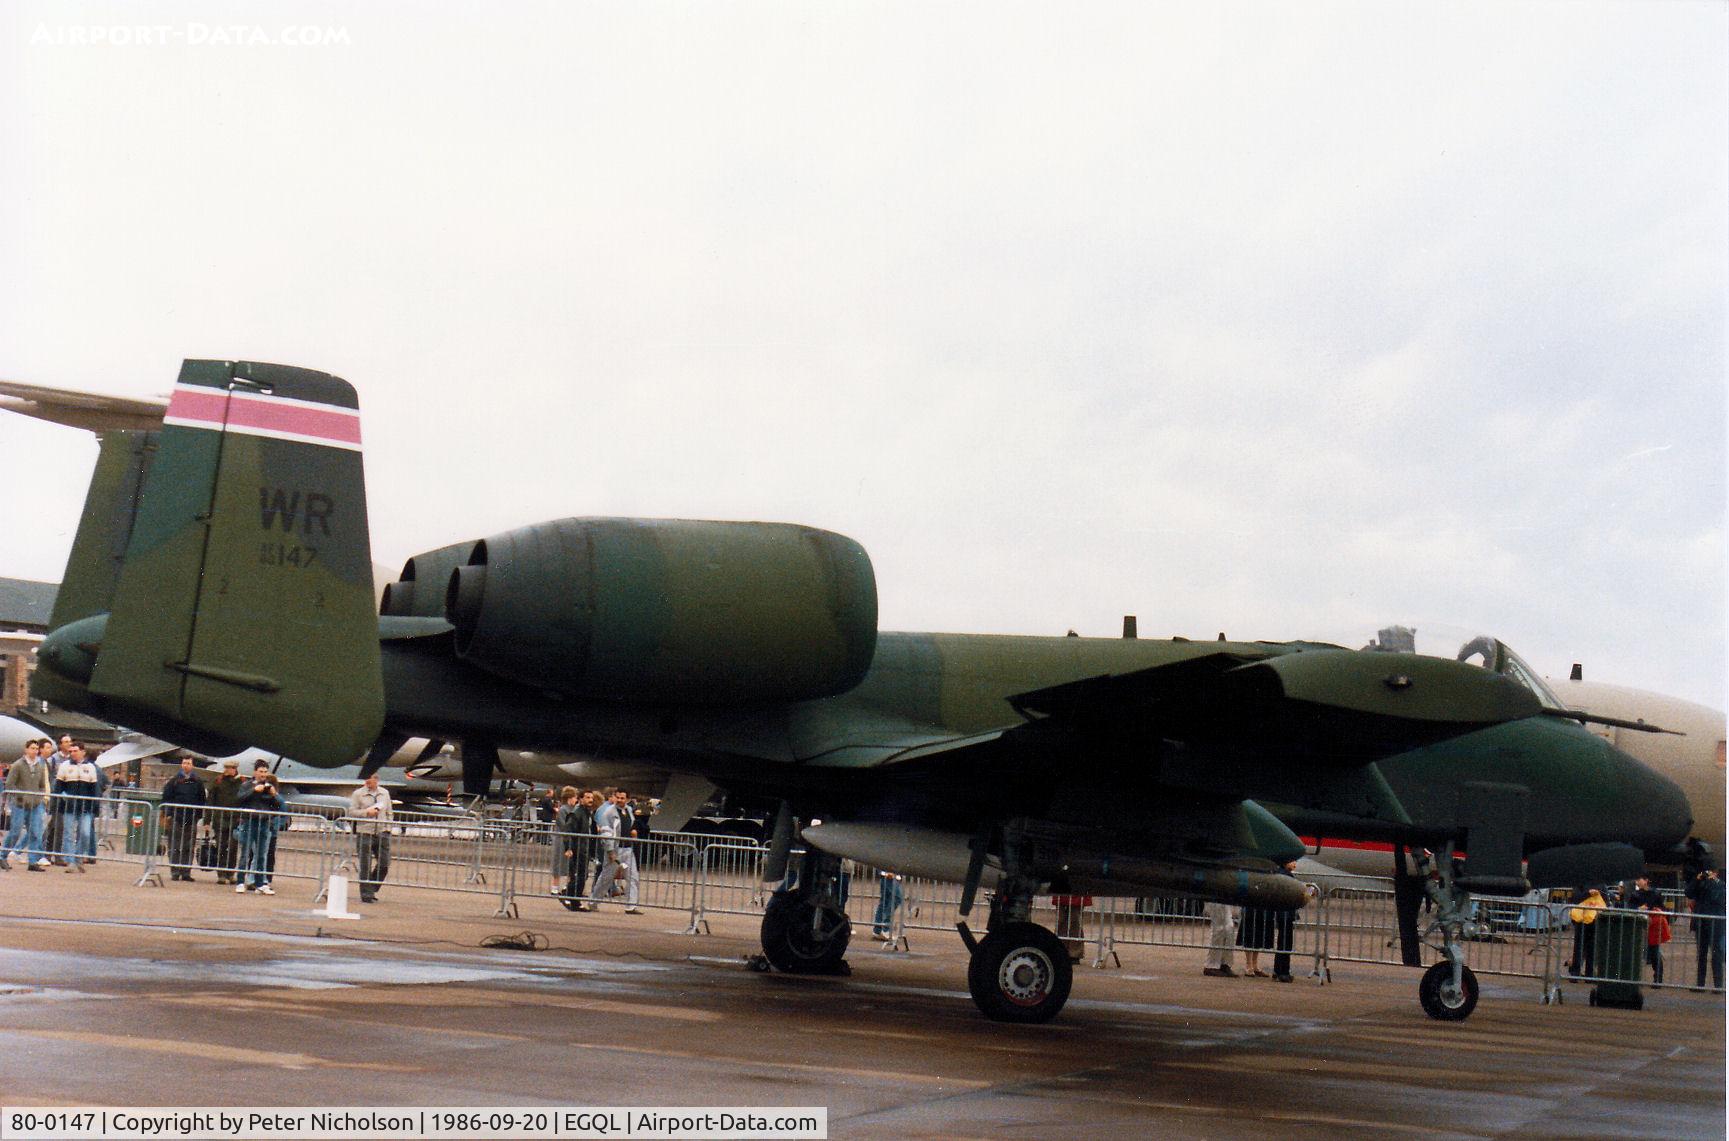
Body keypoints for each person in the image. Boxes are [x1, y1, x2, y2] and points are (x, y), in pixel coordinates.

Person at [2, 738, 54, 871]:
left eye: (37, 749)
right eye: (32, 748)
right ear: (26, 750)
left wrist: (40, 796)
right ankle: (2, 856)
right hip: (19, 804)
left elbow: (42, 784)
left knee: (35, 833)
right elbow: (9, 784)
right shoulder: (18, 765)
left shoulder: (40, 765)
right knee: (15, 832)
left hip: (35, 805)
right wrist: (21, 795)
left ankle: (32, 861)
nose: (35, 751)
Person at [54, 741, 101, 872]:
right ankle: (71, 861)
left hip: (85, 807)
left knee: (85, 833)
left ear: (83, 752)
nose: (73, 753)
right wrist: (63, 797)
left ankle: (78, 857)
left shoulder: (90, 767)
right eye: (71, 751)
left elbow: (94, 789)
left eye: (75, 751)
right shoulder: (65, 766)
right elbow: (58, 786)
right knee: (68, 834)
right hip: (68, 807)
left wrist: (94, 806)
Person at [235, 772, 284, 894]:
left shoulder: (269, 787)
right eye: (261, 771)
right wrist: (254, 790)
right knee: (245, 854)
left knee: (262, 855)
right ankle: (240, 882)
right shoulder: (247, 785)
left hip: (264, 823)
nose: (263, 774)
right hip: (249, 822)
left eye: (265, 771)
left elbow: (278, 806)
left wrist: (274, 794)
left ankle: (260, 883)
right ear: (255, 772)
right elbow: (240, 799)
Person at [158, 756, 207, 882]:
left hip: (191, 819)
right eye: (184, 763)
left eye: (189, 763)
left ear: (192, 765)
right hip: (176, 817)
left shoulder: (197, 781)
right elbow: (166, 798)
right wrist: (167, 814)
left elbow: (202, 799)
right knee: (174, 845)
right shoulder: (173, 781)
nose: (186, 765)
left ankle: (186, 872)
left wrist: (198, 816)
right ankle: (175, 871)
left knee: (188, 847)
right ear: (181, 764)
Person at [347, 771, 393, 903]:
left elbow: (389, 812)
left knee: (384, 863)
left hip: (382, 832)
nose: (367, 782)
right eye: (366, 779)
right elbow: (352, 811)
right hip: (365, 832)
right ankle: (366, 894)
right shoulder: (358, 794)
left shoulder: (384, 793)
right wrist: (366, 813)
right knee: (365, 865)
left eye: (370, 779)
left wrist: (388, 828)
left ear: (376, 779)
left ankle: (371, 887)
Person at [208, 759, 247, 883]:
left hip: (236, 820)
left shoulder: (242, 782)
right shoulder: (218, 781)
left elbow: (245, 800)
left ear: (235, 769)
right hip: (220, 820)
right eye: (227, 768)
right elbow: (210, 801)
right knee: (221, 846)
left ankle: (230, 873)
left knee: (233, 847)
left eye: (231, 768)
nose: (228, 770)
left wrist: (244, 818)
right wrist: (207, 821)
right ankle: (221, 874)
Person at [553, 786, 594, 904]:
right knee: (578, 875)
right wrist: (569, 847)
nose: (590, 800)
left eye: (591, 797)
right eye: (587, 797)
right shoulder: (576, 813)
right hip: (577, 848)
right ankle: (571, 898)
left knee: (583, 875)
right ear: (580, 799)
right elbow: (567, 830)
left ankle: (573, 898)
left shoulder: (587, 813)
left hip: (584, 848)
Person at [1687, 868, 1725, 990]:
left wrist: (1710, 882)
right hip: (1701, 923)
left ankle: (1718, 985)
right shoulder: (1701, 883)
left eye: (1710, 872)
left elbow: (1715, 897)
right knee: (1701, 954)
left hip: (1716, 924)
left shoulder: (1721, 884)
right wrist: (1696, 880)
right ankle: (1700, 984)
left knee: (1716, 954)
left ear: (1715, 873)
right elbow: (1688, 892)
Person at [610, 788, 642, 913]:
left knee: (633, 877)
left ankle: (631, 906)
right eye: (618, 797)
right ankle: (593, 901)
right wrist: (609, 850)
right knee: (606, 878)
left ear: (627, 800)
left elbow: (632, 825)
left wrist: (634, 833)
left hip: (628, 849)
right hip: (615, 849)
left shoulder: (629, 811)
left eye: (622, 798)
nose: (619, 800)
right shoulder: (610, 812)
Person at [1567, 886, 1607, 978]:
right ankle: (1575, 972)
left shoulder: (1601, 884)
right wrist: (1588, 893)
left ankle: (1589, 973)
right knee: (1579, 947)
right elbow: (1575, 898)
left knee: (1591, 948)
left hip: (1595, 919)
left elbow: (1606, 899)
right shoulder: (1581, 883)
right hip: (1581, 919)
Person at [1202, 902, 1241, 977]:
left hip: (1225, 899)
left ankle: (1225, 963)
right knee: (1219, 929)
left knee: (1229, 929)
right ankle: (1211, 965)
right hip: (1216, 899)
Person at [1052, 894, 1091, 963]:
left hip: (1077, 891)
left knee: (1075, 921)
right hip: (1061, 891)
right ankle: (1060, 950)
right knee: (1060, 921)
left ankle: (1075, 953)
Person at [872, 869, 904, 942]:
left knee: (885, 901)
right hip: (889, 873)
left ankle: (878, 929)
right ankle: (885, 928)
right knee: (896, 897)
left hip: (889, 873)